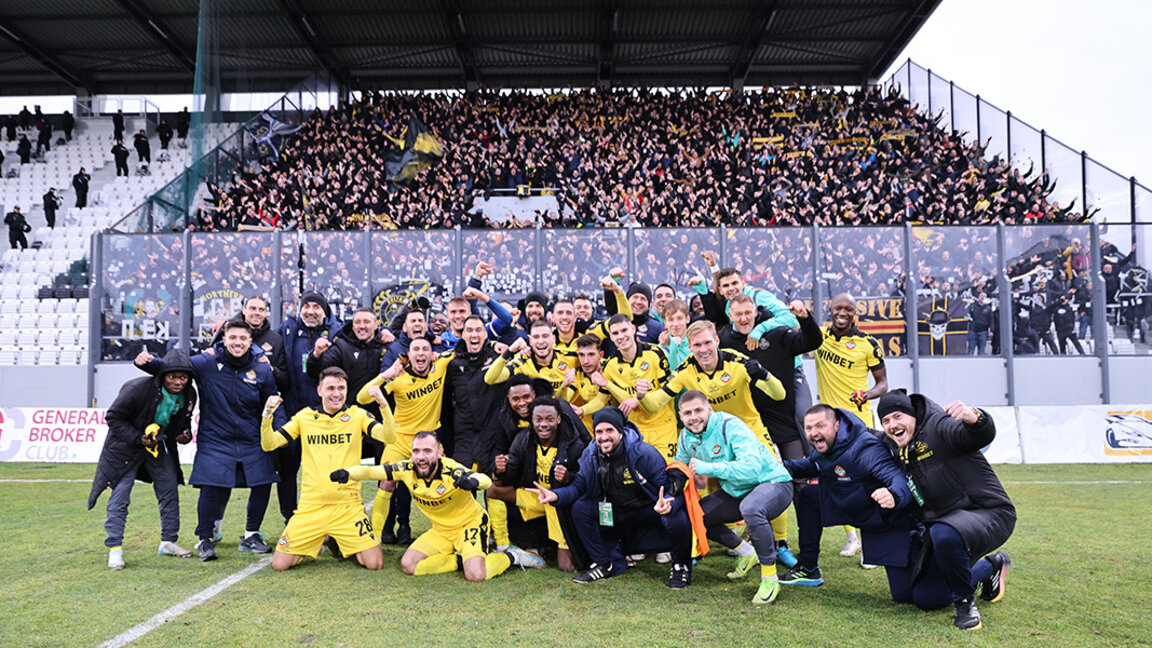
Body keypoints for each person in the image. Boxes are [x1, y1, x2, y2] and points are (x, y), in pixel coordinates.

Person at [136, 320, 285, 561]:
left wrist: (280, 430)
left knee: (263, 482)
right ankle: (205, 538)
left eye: (243, 339)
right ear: (224, 340)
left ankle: (251, 535)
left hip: (251, 438)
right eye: (233, 338)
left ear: (250, 342)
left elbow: (272, 401)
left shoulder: (262, 369)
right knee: (211, 487)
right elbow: (175, 369)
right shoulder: (206, 362)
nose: (237, 342)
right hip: (215, 438)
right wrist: (147, 362)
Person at [877, 390, 1015, 631]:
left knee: (944, 532)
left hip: (989, 512)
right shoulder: (894, 445)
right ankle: (991, 567)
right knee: (928, 599)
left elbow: (975, 436)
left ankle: (965, 606)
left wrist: (977, 418)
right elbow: (861, 439)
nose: (892, 425)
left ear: (913, 416)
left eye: (898, 417)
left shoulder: (938, 425)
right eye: (886, 421)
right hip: (944, 525)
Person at [331, 431, 545, 580]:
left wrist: (472, 481)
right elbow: (371, 471)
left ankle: (513, 557)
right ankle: (459, 561)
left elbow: (486, 481)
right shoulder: (406, 468)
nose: (421, 457)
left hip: (469, 525)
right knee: (409, 566)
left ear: (439, 452)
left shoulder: (451, 470)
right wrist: (348, 474)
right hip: (441, 531)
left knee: (476, 575)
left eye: (427, 451)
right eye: (416, 451)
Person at [531, 407, 694, 588]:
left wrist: (667, 505)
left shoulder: (644, 452)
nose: (604, 436)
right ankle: (604, 563)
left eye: (610, 430)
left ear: (621, 432)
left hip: (650, 508)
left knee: (677, 516)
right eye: (599, 431)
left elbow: (669, 490)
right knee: (581, 507)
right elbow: (579, 487)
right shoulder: (590, 454)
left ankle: (680, 566)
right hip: (617, 510)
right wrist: (555, 495)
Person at [260, 367, 397, 571]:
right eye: (330, 388)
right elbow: (269, 444)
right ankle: (323, 536)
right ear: (319, 391)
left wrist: (384, 405)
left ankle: (335, 538)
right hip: (312, 507)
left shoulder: (357, 415)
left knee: (374, 563)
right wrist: (267, 415)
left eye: (341, 388)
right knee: (280, 565)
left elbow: (389, 437)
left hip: (347, 507)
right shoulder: (304, 417)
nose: (336, 393)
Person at [779, 404, 916, 589]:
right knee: (809, 495)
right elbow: (810, 466)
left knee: (907, 595)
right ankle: (808, 568)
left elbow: (897, 478)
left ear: (836, 425)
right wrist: (776, 466)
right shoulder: (822, 449)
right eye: (809, 428)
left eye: (820, 426)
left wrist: (894, 495)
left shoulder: (865, 447)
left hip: (878, 515)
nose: (813, 432)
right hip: (849, 505)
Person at [674, 391, 793, 604]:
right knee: (697, 515)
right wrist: (665, 495)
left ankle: (770, 578)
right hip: (738, 491)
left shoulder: (730, 425)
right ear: (681, 416)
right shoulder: (686, 436)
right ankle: (747, 553)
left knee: (751, 508)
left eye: (699, 410)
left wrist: (708, 468)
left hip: (772, 482)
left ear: (709, 409)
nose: (694, 417)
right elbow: (679, 468)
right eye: (687, 413)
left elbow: (752, 468)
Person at [88, 348, 198, 569]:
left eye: (183, 377)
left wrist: (184, 434)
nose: (178, 382)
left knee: (169, 489)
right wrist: (139, 438)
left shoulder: (189, 395)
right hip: (124, 450)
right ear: (162, 375)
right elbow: (113, 418)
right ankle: (115, 549)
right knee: (120, 496)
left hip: (158, 447)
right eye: (172, 376)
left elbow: (181, 424)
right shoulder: (136, 388)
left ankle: (168, 542)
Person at [357, 336, 455, 545]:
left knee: (445, 483)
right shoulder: (397, 378)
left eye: (425, 349)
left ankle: (450, 531)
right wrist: (386, 374)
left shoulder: (441, 364)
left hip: (429, 441)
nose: (421, 353)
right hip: (400, 440)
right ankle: (373, 537)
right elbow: (362, 398)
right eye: (416, 349)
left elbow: (463, 347)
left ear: (432, 354)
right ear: (409, 355)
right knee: (387, 482)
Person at [813, 292, 889, 559]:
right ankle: (851, 537)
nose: (842, 313)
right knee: (837, 480)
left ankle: (872, 544)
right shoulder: (819, 336)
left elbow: (883, 383)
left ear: (855, 312)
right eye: (837, 308)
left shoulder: (868, 343)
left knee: (865, 482)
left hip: (860, 424)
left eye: (848, 309)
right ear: (830, 309)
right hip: (830, 427)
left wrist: (867, 394)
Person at [492, 396, 589, 572]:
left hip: (557, 502)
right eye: (538, 419)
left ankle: (543, 549)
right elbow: (512, 469)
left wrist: (569, 477)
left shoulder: (574, 445)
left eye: (549, 419)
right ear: (532, 420)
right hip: (535, 497)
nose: (543, 424)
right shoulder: (523, 439)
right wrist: (502, 470)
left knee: (566, 567)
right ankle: (502, 545)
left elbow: (585, 481)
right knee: (492, 491)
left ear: (558, 419)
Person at [276, 291, 343, 523]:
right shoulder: (286, 330)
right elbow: (256, 337)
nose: (311, 311)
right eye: (307, 306)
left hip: (325, 417)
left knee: (326, 471)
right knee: (288, 470)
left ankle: (328, 520)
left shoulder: (337, 331)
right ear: (299, 308)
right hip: (292, 414)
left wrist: (385, 332)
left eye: (316, 306)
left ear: (325, 311)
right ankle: (290, 519)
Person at [592, 314, 679, 461]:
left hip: (663, 426)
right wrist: (581, 410)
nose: (621, 336)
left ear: (633, 329)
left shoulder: (655, 353)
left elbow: (668, 391)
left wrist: (637, 400)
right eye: (615, 333)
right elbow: (602, 399)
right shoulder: (610, 366)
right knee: (640, 478)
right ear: (611, 338)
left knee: (666, 475)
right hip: (635, 430)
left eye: (624, 330)